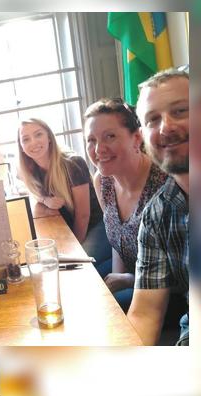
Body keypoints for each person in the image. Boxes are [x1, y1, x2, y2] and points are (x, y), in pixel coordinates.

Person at [84, 98, 167, 312]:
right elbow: (117, 236)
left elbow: (184, 271)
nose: (98, 149)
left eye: (109, 136)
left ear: (137, 138)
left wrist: (127, 280)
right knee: (82, 283)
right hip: (130, 274)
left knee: (99, 309)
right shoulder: (103, 181)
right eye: (91, 140)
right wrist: (117, 277)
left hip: (164, 291)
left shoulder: (165, 186)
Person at [128, 68, 189, 345]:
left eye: (181, 111)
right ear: (143, 137)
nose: (166, 127)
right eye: (153, 120)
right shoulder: (157, 214)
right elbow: (145, 313)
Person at [17, 118, 111, 267]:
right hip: (72, 225)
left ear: (49, 137)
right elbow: (32, 190)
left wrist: (74, 248)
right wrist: (45, 200)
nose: (33, 142)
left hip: (97, 224)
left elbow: (83, 215)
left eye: (38, 134)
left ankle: (116, 264)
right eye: (26, 139)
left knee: (77, 265)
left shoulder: (72, 164)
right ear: (21, 146)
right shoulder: (29, 169)